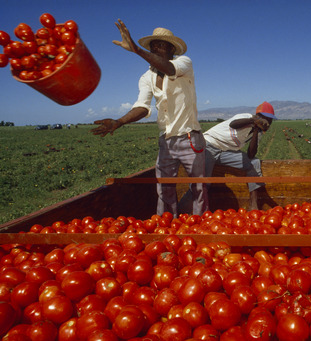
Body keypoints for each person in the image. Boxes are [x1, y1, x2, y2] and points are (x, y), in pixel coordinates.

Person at [91, 20, 208, 217]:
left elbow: (169, 69)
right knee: (164, 189)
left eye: (162, 45)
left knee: (199, 188)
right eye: (154, 46)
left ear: (172, 49)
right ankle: (166, 228)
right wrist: (119, 122)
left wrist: (136, 50)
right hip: (166, 141)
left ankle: (201, 226)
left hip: (190, 138)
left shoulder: (183, 63)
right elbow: (142, 107)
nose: (157, 49)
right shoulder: (146, 77)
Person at [181, 102, 275, 212]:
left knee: (253, 163)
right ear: (259, 116)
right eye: (267, 119)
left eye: (271, 120)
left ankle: (253, 205)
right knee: (202, 184)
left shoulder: (258, 132)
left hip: (225, 152)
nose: (269, 122)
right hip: (208, 146)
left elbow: (250, 154)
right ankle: (181, 211)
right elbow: (233, 124)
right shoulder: (246, 117)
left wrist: (255, 130)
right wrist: (253, 121)